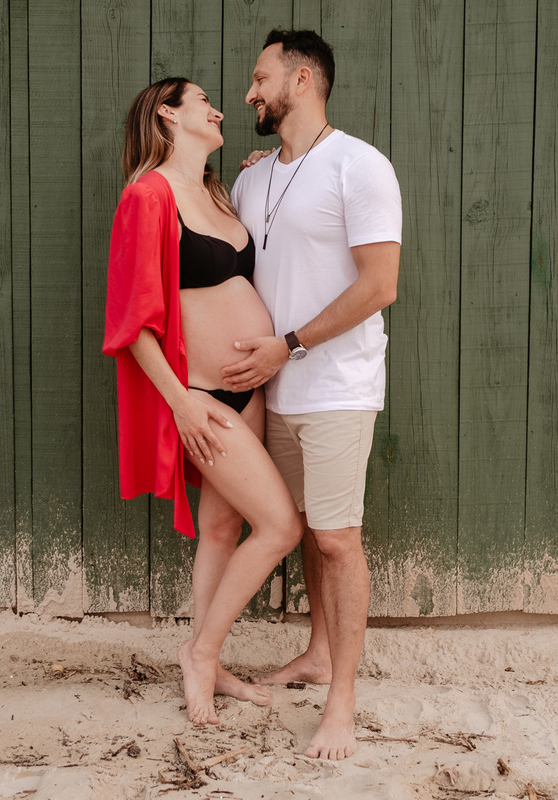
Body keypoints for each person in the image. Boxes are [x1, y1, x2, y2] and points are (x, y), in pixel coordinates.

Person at [223, 30, 402, 761]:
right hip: (277, 393)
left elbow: (379, 285)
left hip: (335, 385)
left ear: (302, 79)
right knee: (303, 530)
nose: (249, 94)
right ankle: (318, 654)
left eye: (260, 78)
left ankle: (343, 704)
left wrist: (290, 343)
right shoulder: (253, 177)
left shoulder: (360, 167)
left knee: (337, 538)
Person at [102, 78, 304, 726]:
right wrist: (183, 406)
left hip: (248, 395)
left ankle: (210, 667)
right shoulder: (148, 197)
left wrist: (257, 171)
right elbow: (131, 326)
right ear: (167, 114)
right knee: (280, 526)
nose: (219, 109)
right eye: (202, 101)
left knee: (223, 529)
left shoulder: (220, 192)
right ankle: (201, 652)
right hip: (199, 396)